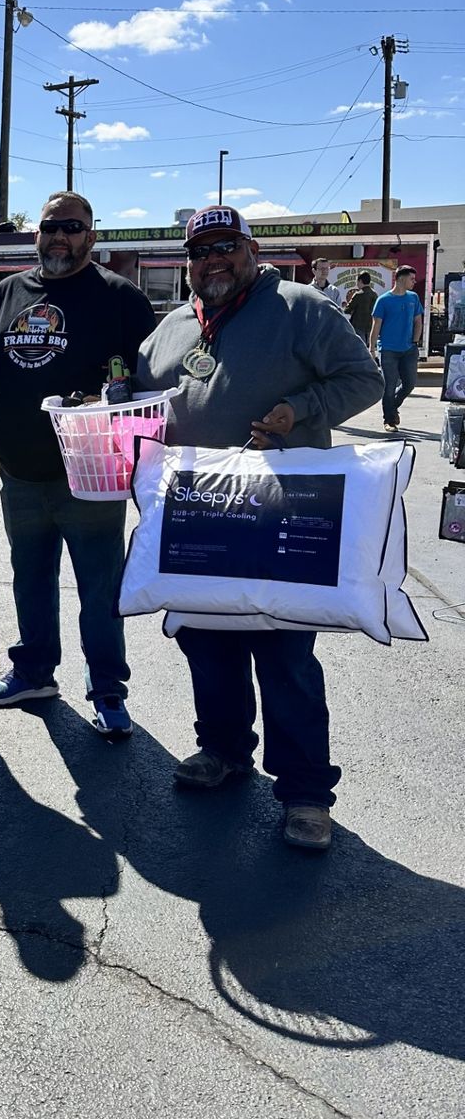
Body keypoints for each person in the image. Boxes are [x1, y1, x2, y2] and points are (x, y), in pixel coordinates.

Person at [137, 205, 383, 851]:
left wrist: (297, 411)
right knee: (207, 640)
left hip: (282, 507)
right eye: (200, 251)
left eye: (225, 247)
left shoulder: (302, 308)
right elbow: (141, 402)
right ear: (187, 262)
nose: (212, 261)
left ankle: (305, 793)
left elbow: (365, 378)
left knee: (285, 654)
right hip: (197, 511)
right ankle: (222, 750)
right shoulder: (168, 331)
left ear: (250, 249)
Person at [0, 192, 158, 734]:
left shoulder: (120, 298)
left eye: (72, 227)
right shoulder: (9, 293)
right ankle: (34, 671)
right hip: (20, 471)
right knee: (30, 577)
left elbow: (144, 383)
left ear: (91, 237)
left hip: (90, 476)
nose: (59, 236)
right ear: (37, 234)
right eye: (50, 226)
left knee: (99, 587)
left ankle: (107, 692)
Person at [369, 266, 423, 433]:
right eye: (411, 279)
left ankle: (393, 408)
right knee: (389, 385)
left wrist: (415, 342)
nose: (414, 282)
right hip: (388, 350)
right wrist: (371, 349)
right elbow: (375, 326)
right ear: (400, 279)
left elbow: (418, 322)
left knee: (409, 384)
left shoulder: (413, 298)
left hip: (409, 349)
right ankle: (389, 420)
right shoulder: (384, 300)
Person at [342, 271, 378, 343]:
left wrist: (345, 307)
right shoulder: (375, 294)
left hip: (358, 326)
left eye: (357, 281)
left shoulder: (358, 294)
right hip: (370, 326)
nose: (357, 284)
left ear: (360, 281)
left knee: (360, 348)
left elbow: (347, 310)